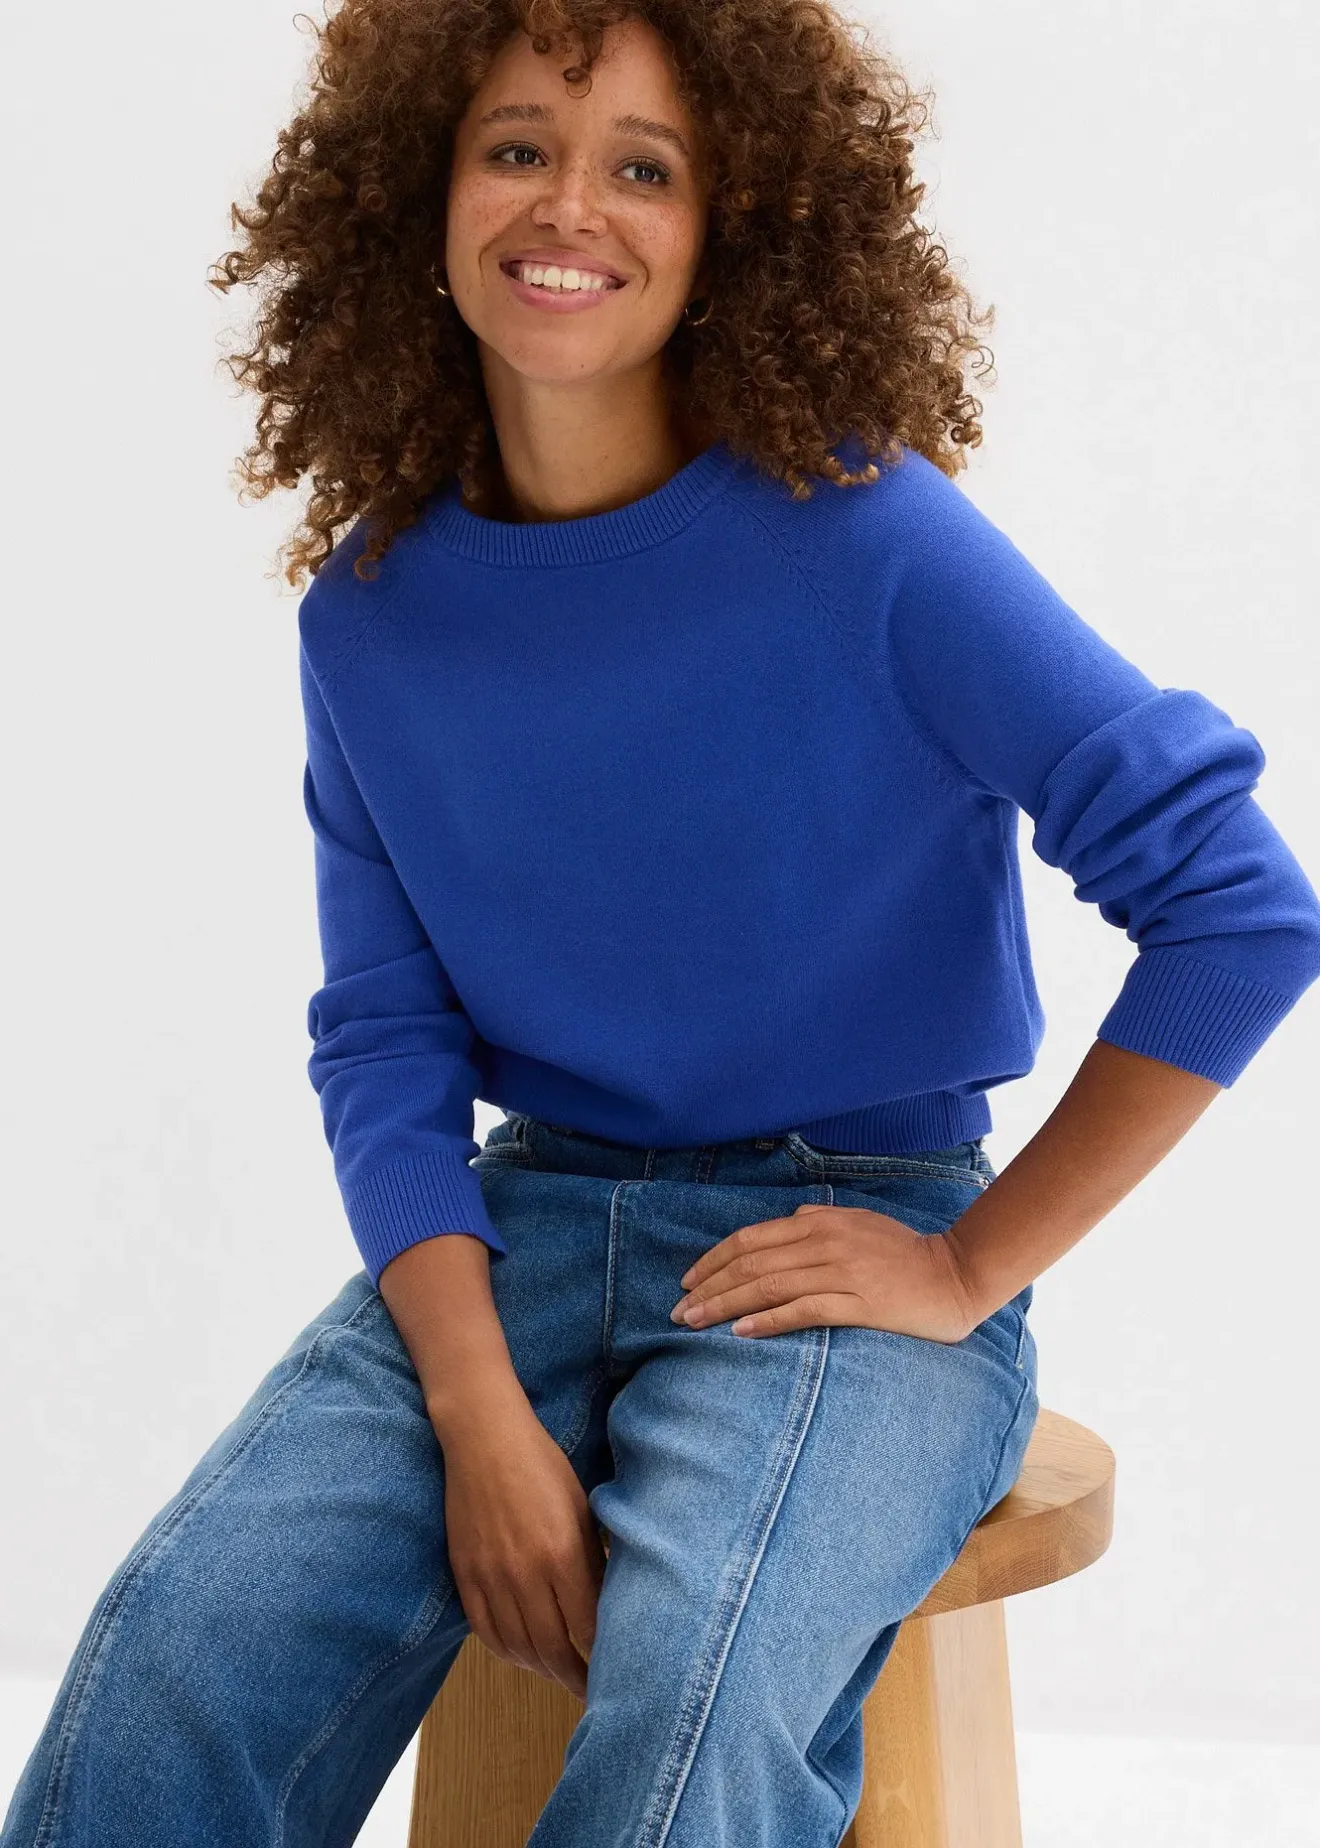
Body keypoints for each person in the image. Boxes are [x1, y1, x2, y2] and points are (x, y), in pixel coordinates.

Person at [7, 2, 1320, 1844]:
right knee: (177, 1654)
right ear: (419, 195)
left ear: (734, 233)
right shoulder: (371, 615)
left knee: (689, 1706)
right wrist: (477, 1415)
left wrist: (964, 1271)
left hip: (850, 1225)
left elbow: (1240, 910)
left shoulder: (872, 540)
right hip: (526, 1223)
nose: (572, 206)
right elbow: (384, 1040)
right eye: (517, 148)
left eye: (646, 165)